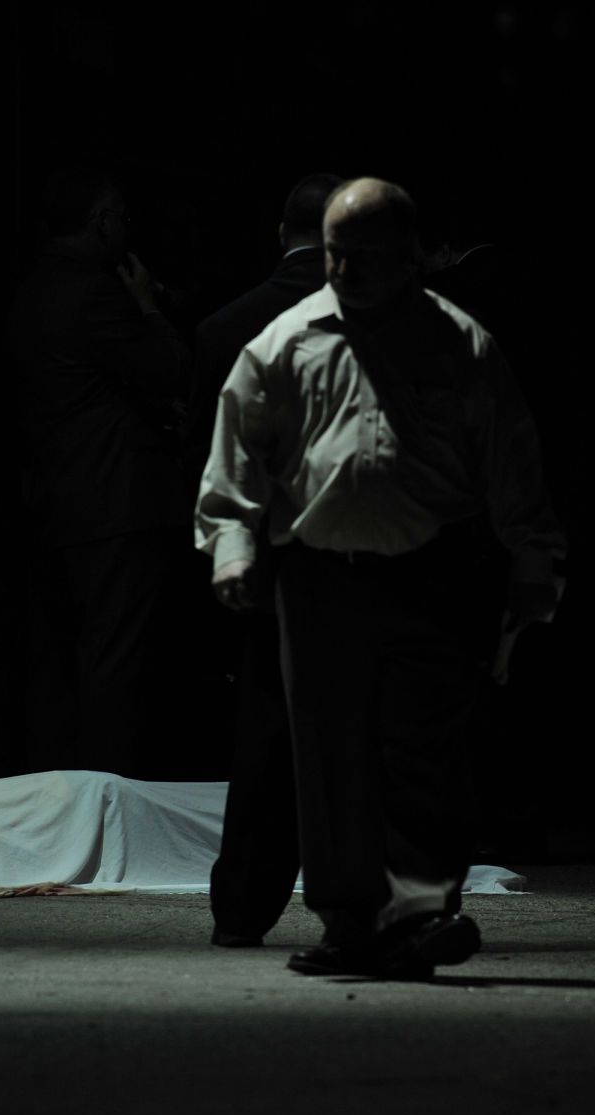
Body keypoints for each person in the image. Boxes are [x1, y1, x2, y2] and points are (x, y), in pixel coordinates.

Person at [195, 178, 565, 978]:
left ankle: (424, 913)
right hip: (318, 577)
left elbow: (513, 467)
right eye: (336, 255)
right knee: (328, 756)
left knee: (423, 749)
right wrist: (233, 549)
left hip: (431, 571)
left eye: (368, 257)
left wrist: (535, 567)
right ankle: (349, 923)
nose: (349, 273)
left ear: (408, 257)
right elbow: (236, 462)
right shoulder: (285, 342)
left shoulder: (461, 345)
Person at [188, 173, 341, 949]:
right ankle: (374, 903)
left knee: (269, 732)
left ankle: (244, 905)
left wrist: (231, 551)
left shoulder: (233, 330)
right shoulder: (406, 327)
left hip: (280, 554)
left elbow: (225, 461)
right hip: (370, 548)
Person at [8, 172, 190, 778]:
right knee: (114, 667)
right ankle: (106, 810)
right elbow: (167, 372)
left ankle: (59, 806)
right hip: (113, 503)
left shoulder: (31, 291)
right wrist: (146, 305)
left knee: (60, 670)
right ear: (100, 219)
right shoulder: (95, 292)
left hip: (55, 502)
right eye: (121, 219)